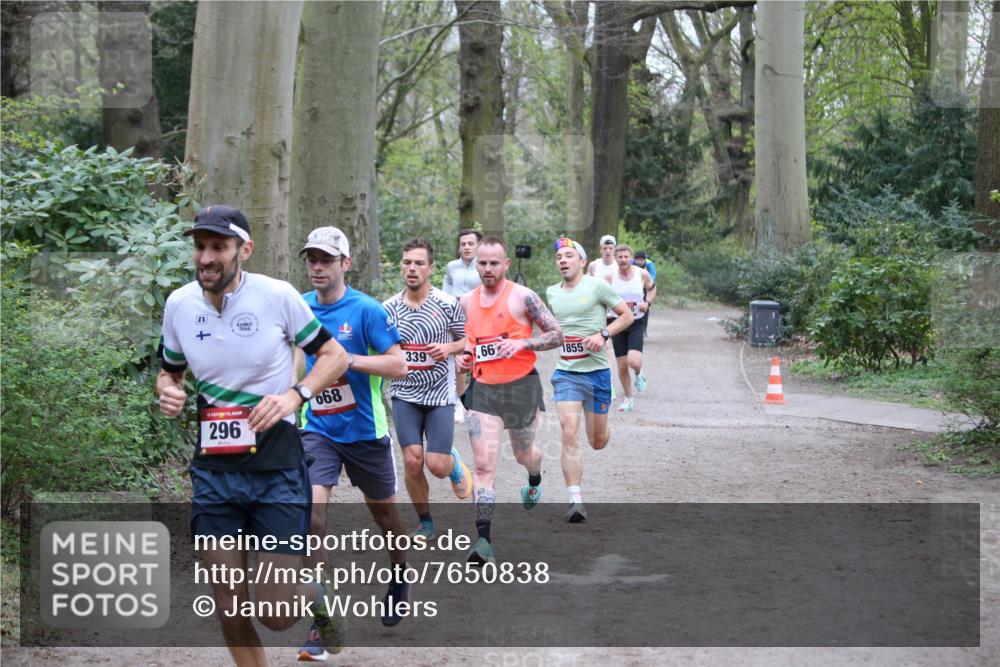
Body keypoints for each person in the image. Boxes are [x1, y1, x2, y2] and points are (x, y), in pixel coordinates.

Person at [156, 206, 350, 666]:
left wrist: (293, 396)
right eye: (200, 247)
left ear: (244, 250)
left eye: (218, 247)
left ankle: (316, 595)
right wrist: (169, 393)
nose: (206, 257)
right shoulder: (179, 305)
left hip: (277, 468)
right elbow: (169, 374)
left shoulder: (276, 297)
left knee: (277, 614)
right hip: (214, 473)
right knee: (228, 601)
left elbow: (335, 357)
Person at [294, 227, 411, 660]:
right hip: (317, 430)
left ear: (345, 263)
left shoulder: (366, 311)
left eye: (327, 259)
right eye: (312, 259)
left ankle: (399, 573)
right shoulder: (299, 309)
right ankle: (321, 622)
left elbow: (398, 364)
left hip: (365, 433)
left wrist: (346, 360)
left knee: (388, 523)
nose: (318, 267)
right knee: (311, 517)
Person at [456, 236, 563, 564]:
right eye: (482, 263)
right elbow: (464, 345)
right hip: (484, 391)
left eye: (494, 263)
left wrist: (524, 344)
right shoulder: (464, 302)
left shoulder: (524, 297)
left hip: (521, 389)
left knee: (523, 454)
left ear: (506, 264)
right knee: (484, 466)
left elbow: (557, 335)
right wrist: (462, 358)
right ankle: (483, 541)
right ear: (476, 264)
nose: (487, 269)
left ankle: (534, 477)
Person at [383, 238, 474, 539]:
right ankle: (425, 520)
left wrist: (448, 348)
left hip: (439, 395)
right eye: (408, 262)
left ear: (431, 268)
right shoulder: (388, 309)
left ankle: (454, 463)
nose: (412, 268)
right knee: (412, 460)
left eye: (419, 263)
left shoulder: (449, 305)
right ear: (401, 266)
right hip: (404, 394)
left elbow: (465, 341)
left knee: (435, 465)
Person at [546, 238, 633, 522]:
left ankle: (604, 430)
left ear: (582, 261)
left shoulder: (597, 286)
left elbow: (627, 315)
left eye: (569, 255)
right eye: (559, 256)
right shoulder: (551, 293)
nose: (563, 260)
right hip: (566, 373)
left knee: (596, 441)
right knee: (568, 431)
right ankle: (575, 500)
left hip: (596, 373)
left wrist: (603, 334)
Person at [608, 244, 655, 413]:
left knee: (633, 361)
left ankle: (638, 371)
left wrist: (647, 303)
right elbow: (601, 295)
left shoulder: (641, 273)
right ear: (615, 258)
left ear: (631, 258)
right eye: (620, 257)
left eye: (626, 257)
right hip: (617, 322)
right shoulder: (609, 276)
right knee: (621, 366)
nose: (623, 260)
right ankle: (628, 398)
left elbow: (652, 288)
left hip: (636, 322)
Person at [443, 228, 483, 424]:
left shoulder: (484, 265)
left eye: (470, 243)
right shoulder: (452, 266)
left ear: (478, 246)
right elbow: (446, 290)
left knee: (481, 361)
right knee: (460, 361)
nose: (466, 247)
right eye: (463, 244)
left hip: (480, 318)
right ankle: (459, 402)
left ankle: (480, 401)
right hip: (457, 319)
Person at [633, 251, 657, 339]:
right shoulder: (631, 263)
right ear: (634, 260)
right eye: (637, 260)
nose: (639, 262)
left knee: (644, 308)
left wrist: (647, 283)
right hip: (633, 288)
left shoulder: (649, 264)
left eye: (641, 260)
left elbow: (653, 275)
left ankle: (643, 329)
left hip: (644, 287)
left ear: (644, 260)